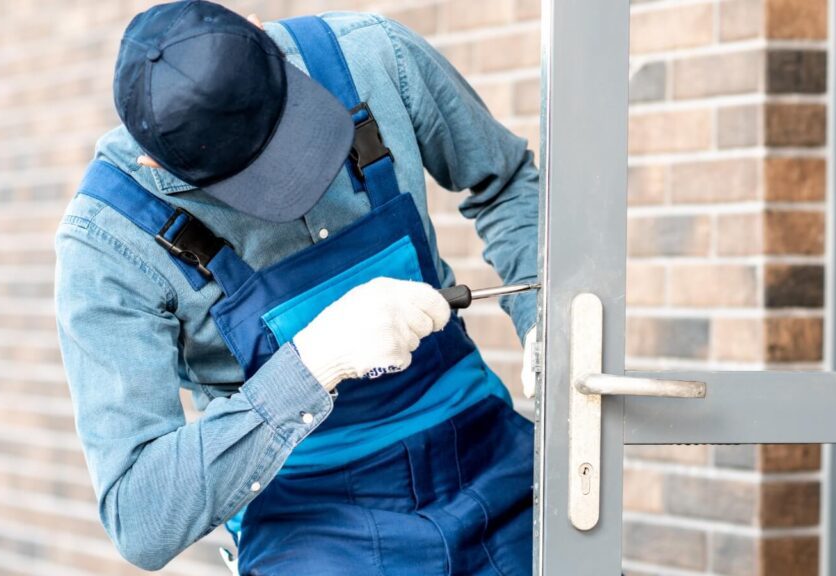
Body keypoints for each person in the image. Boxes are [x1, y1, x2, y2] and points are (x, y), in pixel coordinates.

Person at [54, 2, 539, 573]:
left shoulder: (373, 56)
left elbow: (504, 181)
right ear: (152, 160)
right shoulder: (108, 243)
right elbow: (140, 516)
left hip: (487, 455)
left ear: (262, 33)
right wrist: (311, 365)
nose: (299, 185)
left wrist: (543, 321)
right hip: (312, 524)